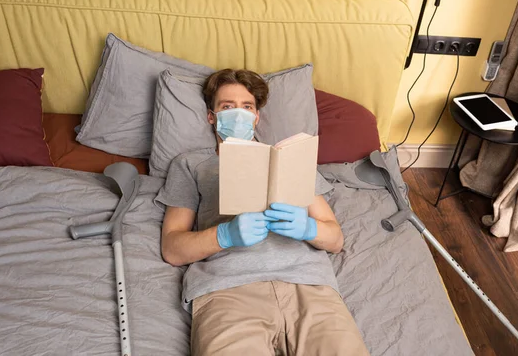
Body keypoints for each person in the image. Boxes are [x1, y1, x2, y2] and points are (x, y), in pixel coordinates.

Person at [155, 69, 369, 356]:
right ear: (212, 116)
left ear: (257, 117)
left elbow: (336, 238)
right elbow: (172, 248)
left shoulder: (291, 159)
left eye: (247, 107)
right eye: (227, 107)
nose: (239, 115)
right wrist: (225, 234)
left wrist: (308, 228)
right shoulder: (191, 164)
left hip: (308, 285)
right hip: (228, 288)